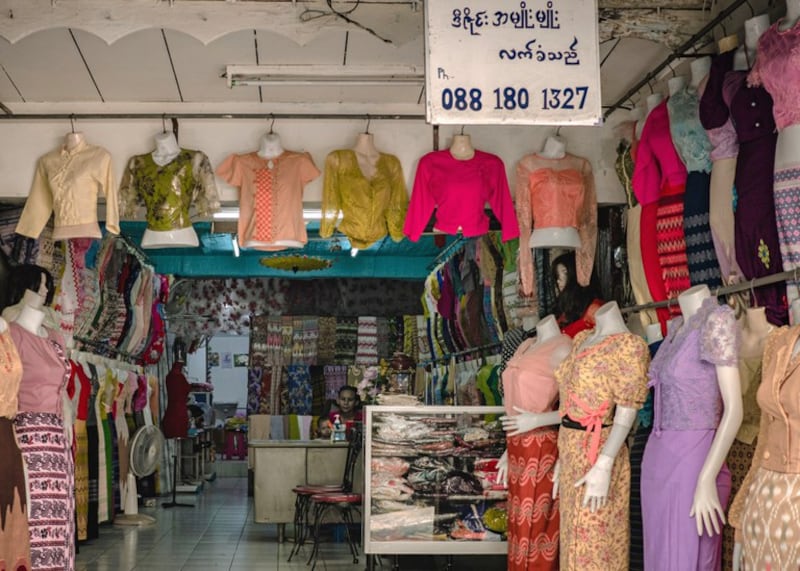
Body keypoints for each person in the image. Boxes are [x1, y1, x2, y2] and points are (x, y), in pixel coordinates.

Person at [641, 284, 742, 570]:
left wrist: (706, 477)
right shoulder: (675, 330)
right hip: (657, 463)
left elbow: (734, 410)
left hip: (695, 462)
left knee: (691, 557)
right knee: (660, 556)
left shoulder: (717, 320)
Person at [551, 251, 604, 338]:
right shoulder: (565, 309)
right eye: (557, 276)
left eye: (565, 273)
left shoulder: (594, 309)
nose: (558, 280)